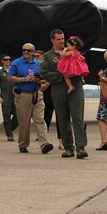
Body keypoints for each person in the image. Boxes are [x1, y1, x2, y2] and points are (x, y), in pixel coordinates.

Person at [42, 29, 87, 159]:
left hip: (76, 86)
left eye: (63, 39)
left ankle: (81, 147)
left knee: (77, 116)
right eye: (58, 39)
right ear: (52, 40)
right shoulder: (47, 56)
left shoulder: (75, 52)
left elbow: (82, 66)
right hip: (59, 88)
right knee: (62, 118)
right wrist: (61, 75)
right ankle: (69, 148)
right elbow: (44, 73)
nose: (62, 41)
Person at [7, 44, 53, 155]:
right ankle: (23, 144)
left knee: (40, 119)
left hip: (37, 94)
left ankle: (44, 144)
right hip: (23, 95)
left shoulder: (38, 64)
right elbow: (10, 78)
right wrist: (24, 79)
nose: (26, 52)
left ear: (33, 52)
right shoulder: (16, 63)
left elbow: (44, 78)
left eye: (29, 50)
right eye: (24, 50)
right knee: (24, 122)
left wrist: (38, 81)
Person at [0, 54, 17, 141]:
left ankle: (9, 129)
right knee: (6, 116)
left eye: (9, 59)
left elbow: (18, 82)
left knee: (17, 116)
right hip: (5, 98)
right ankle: (10, 134)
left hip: (15, 97)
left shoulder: (14, 71)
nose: (8, 61)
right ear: (2, 61)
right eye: (6, 59)